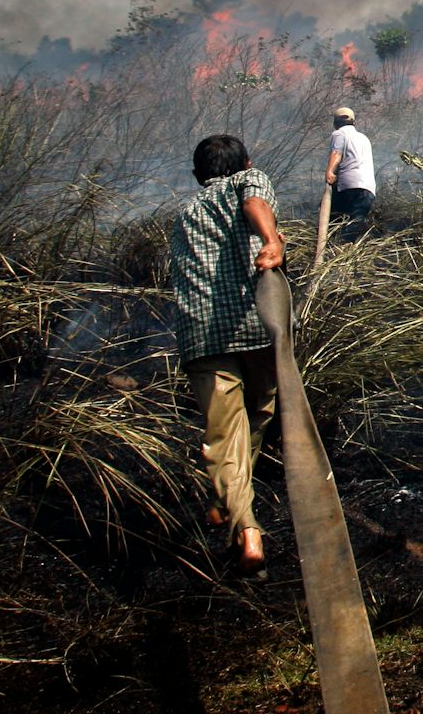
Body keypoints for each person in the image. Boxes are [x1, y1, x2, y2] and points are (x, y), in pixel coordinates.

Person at [169, 134, 283, 574]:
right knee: (258, 415)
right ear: (247, 162)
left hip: (202, 336)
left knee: (223, 436)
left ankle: (228, 506)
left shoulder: (185, 212)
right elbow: (256, 205)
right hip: (252, 326)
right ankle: (248, 530)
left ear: (199, 176)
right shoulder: (249, 180)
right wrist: (271, 241)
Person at [326, 106, 377, 236]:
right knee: (355, 222)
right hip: (368, 189)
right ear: (354, 122)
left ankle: (333, 247)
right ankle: (350, 249)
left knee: (333, 219)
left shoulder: (339, 133)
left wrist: (330, 172)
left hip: (348, 186)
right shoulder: (364, 138)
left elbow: (336, 153)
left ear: (335, 123)